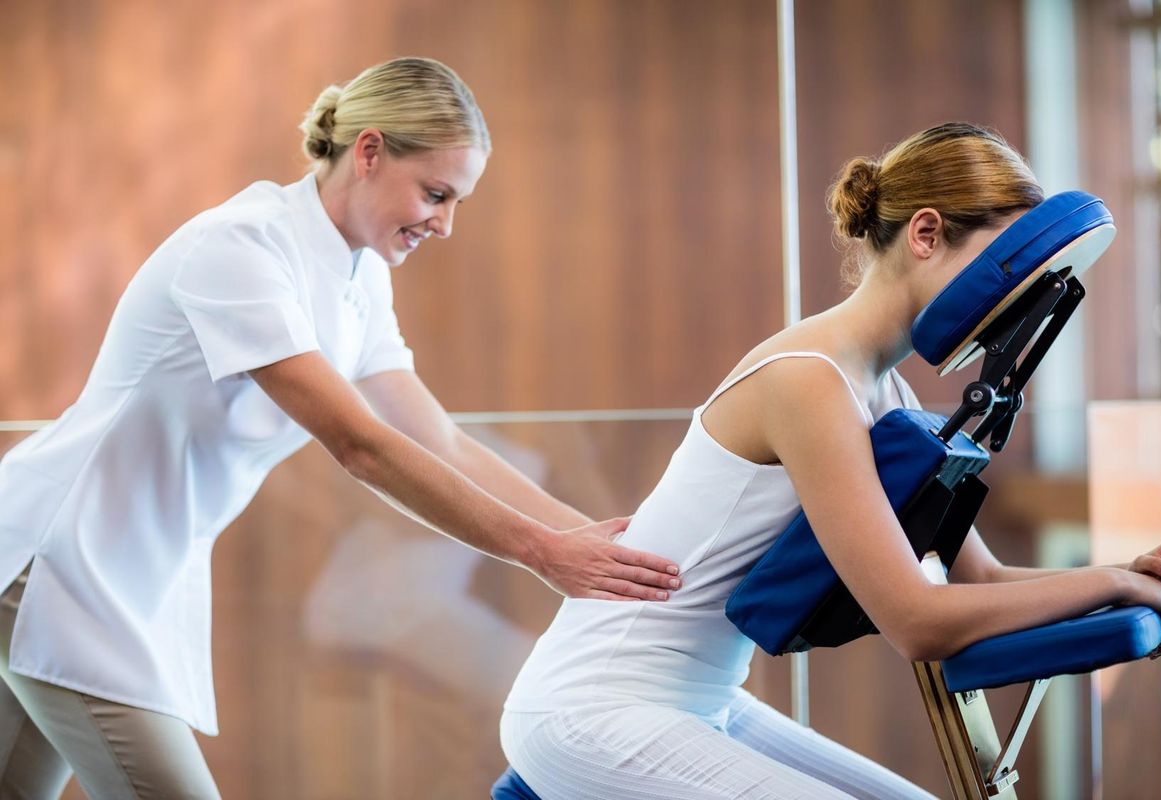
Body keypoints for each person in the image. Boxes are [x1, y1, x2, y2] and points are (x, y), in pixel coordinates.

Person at [0, 57, 681, 799]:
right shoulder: (242, 246)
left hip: (127, 571)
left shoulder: (361, 277)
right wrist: (543, 554)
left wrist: (614, 554)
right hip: (56, 559)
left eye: (457, 202)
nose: (445, 224)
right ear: (369, 151)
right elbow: (362, 447)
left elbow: (440, 441)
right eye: (435, 194)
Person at [499, 123, 1161, 800]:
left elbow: (983, 578)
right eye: (1004, 264)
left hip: (704, 700)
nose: (1012, 301)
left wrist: (1126, 577)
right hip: (593, 710)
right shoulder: (810, 379)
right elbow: (917, 622)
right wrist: (1111, 583)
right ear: (926, 234)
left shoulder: (884, 388)